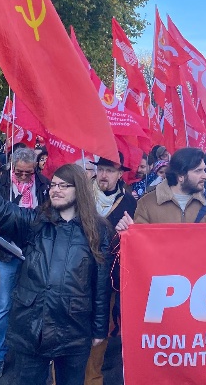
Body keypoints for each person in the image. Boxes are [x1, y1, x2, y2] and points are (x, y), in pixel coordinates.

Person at [0, 153, 113, 385]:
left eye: (64, 186)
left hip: (74, 328)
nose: (56, 190)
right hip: (31, 325)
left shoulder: (98, 230)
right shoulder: (35, 221)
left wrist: (99, 329)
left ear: (79, 189)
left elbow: (101, 285)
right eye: (53, 185)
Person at [0, 146, 52, 379]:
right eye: (19, 172)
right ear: (12, 167)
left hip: (33, 252)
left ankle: (30, 352)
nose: (24, 176)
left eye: (28, 172)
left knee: (35, 304)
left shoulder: (44, 186)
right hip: (4, 252)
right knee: (2, 305)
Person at [85, 154, 136, 385]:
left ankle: (93, 378)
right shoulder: (81, 195)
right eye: (101, 169)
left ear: (120, 174)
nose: (103, 175)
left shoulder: (129, 202)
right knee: (69, 328)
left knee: (101, 327)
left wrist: (127, 231)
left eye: (110, 170)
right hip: (77, 273)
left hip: (108, 276)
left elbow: (134, 239)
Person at [116, 148, 206, 228]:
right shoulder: (147, 203)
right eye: (198, 171)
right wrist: (129, 231)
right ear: (180, 176)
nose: (205, 176)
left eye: (204, 170)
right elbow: (141, 246)